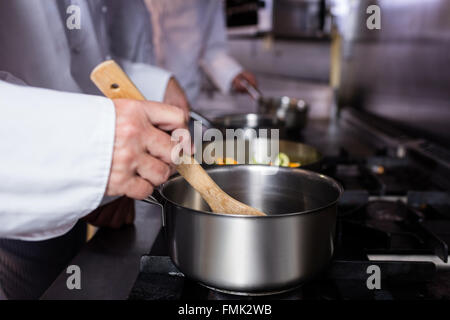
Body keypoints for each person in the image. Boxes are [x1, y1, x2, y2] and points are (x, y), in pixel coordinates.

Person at [0, 0, 190, 299]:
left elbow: (80, 64)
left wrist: (155, 85)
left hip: (76, 198)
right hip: (16, 210)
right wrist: (97, 146)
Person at [145, 0, 258, 105]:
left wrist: (232, 73)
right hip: (140, 95)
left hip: (186, 93)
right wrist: (161, 84)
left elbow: (211, 49)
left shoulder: (210, 2)